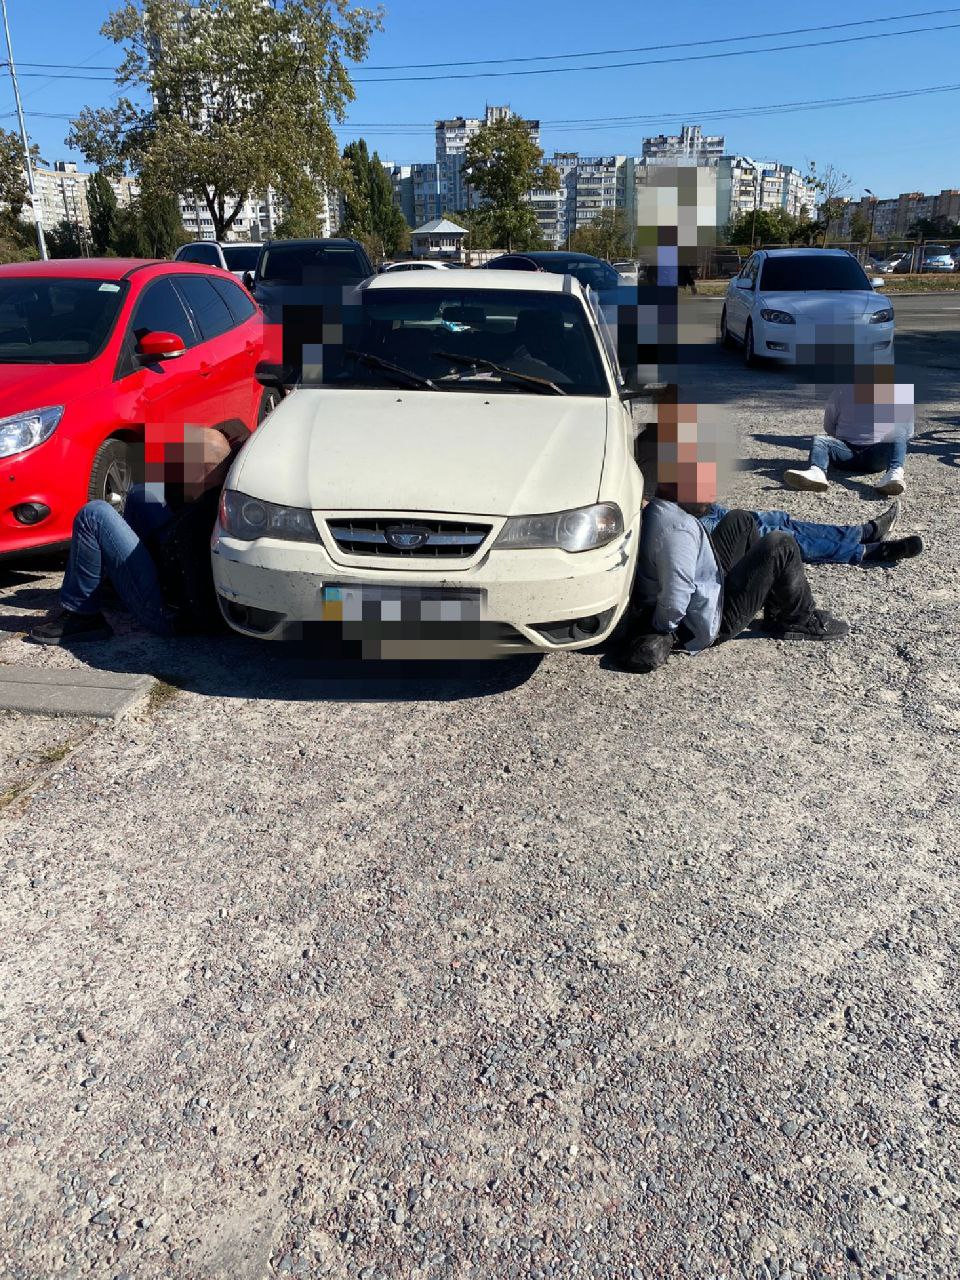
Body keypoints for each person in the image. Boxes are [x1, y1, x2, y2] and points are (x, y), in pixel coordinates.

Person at [625, 403, 849, 673]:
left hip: (706, 586)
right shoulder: (677, 531)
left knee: (740, 520)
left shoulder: (661, 507)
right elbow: (675, 598)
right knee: (781, 544)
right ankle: (797, 618)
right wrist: (665, 631)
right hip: (708, 622)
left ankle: (773, 602)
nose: (711, 495)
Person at [29, 425, 235, 646]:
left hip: (170, 614)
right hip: (172, 569)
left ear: (201, 469)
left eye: (184, 463)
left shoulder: (201, 519)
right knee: (141, 494)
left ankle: (82, 616)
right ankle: (113, 584)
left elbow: (195, 586)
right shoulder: (217, 494)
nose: (177, 468)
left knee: (94, 515)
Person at [783, 367, 914, 497]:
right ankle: (817, 472)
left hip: (853, 454)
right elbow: (908, 433)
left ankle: (894, 474)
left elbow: (829, 426)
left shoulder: (841, 390)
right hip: (865, 456)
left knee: (821, 441)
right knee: (820, 440)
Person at [699, 499, 923, 566]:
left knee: (778, 519)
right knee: (776, 535)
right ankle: (866, 551)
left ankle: (862, 532)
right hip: (695, 526)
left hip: (696, 508)